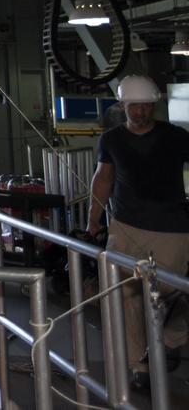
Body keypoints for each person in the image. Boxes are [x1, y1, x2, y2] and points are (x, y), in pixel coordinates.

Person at [87, 74, 189, 391]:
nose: (142, 112)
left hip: (171, 227)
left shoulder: (176, 137)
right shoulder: (112, 140)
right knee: (126, 295)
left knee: (172, 294)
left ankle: (170, 342)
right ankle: (138, 364)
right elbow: (103, 179)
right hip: (125, 225)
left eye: (147, 106)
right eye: (135, 106)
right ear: (123, 106)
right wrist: (94, 221)